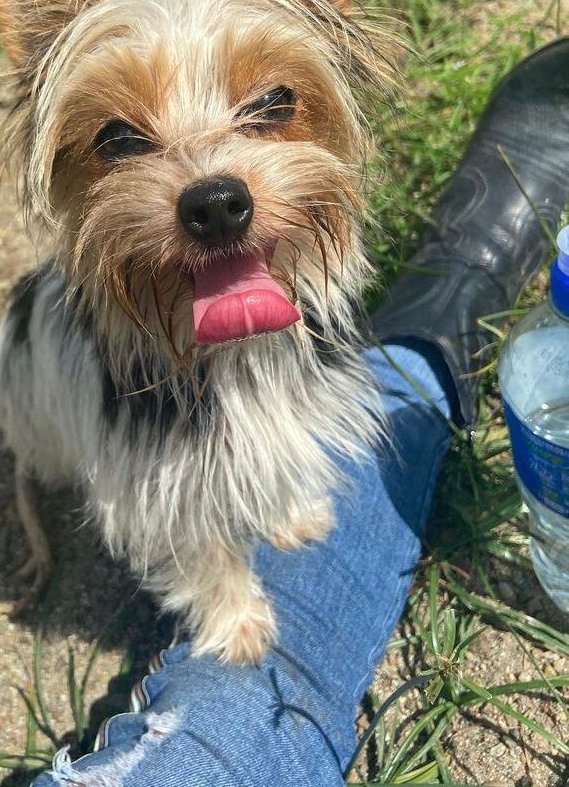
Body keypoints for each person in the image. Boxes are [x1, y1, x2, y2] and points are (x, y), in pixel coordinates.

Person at [29, 39, 569, 787]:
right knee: (195, 542)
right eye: (123, 139)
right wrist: (223, 599)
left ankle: (424, 340)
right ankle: (432, 336)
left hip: (287, 359)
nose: (210, 188)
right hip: (131, 395)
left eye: (269, 106)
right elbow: (155, 512)